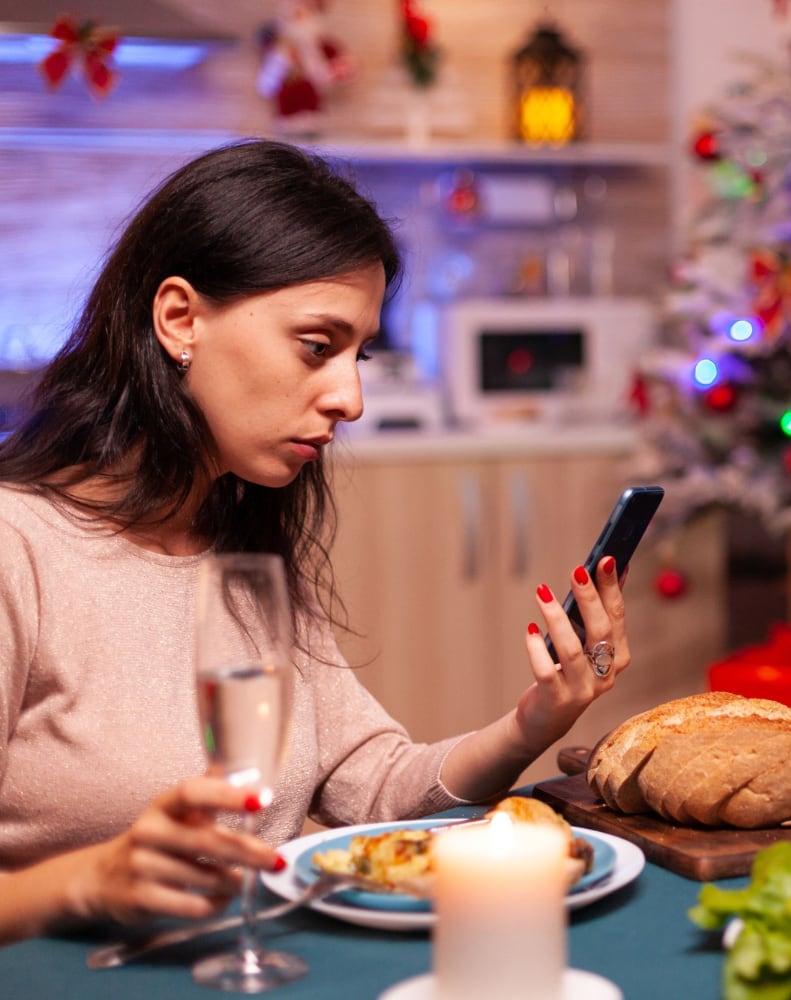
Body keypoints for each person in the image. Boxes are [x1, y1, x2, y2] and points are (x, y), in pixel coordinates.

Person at [0, 139, 632, 944]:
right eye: (317, 347)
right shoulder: (17, 547)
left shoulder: (239, 549)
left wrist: (535, 720)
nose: (351, 398)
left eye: (359, 353)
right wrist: (87, 880)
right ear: (179, 319)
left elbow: (372, 792)